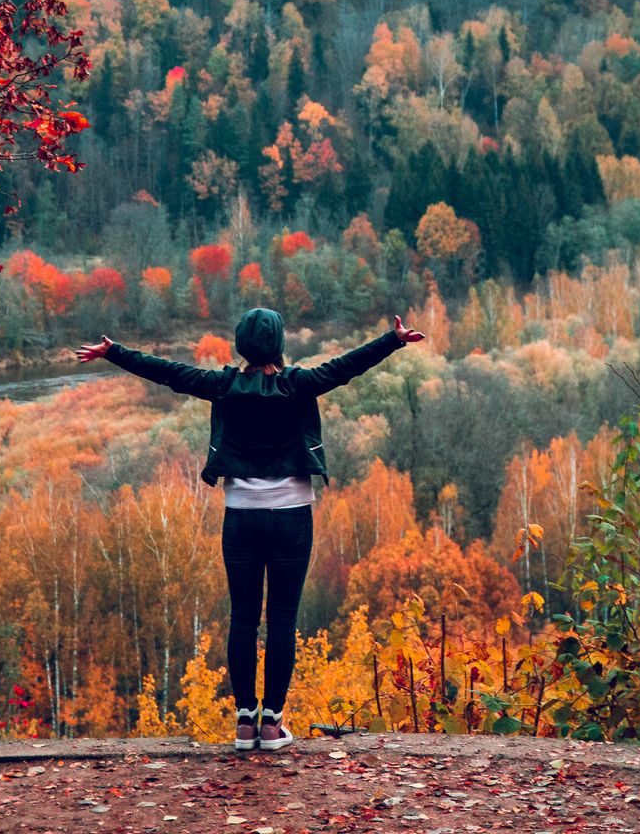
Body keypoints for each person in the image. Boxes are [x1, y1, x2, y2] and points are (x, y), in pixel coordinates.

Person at [75, 308, 425, 750]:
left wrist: (114, 353)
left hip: (240, 515)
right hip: (293, 516)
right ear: (279, 346)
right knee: (281, 618)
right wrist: (392, 339)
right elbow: (345, 367)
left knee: (242, 618)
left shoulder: (224, 385)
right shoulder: (297, 384)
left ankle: (244, 722)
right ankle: (272, 725)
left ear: (241, 346)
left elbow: (169, 373)